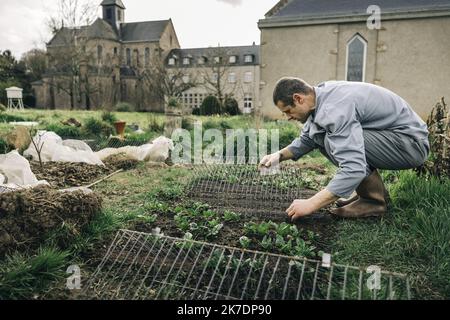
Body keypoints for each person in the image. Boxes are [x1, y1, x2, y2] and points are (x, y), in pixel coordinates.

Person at [259, 78, 429, 221]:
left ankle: (374, 202)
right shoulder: (321, 96)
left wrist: (311, 204)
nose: (288, 117)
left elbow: (353, 167)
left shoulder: (334, 109)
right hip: (394, 138)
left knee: (332, 140)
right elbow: (308, 138)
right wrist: (278, 156)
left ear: (298, 98)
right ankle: (370, 194)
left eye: (288, 111)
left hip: (410, 144)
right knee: (325, 137)